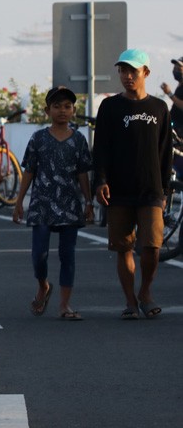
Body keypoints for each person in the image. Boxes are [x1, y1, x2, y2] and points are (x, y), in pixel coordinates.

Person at [92, 49, 173, 320]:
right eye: (122, 71)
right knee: (123, 247)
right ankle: (130, 301)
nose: (127, 76)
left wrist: (164, 191)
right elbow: (100, 147)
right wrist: (100, 181)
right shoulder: (110, 107)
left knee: (152, 247)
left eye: (133, 71)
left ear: (145, 73)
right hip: (119, 190)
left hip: (151, 190)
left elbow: (165, 151)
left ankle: (146, 292)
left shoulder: (159, 108)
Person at [12, 86, 94, 321]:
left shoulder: (78, 140)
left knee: (68, 254)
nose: (62, 110)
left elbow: (82, 173)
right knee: (39, 254)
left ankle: (64, 305)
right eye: (57, 106)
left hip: (69, 204)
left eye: (67, 106)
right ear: (48, 110)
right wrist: (19, 202)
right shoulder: (38, 138)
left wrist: (88, 202)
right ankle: (43, 285)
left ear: (74, 110)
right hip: (42, 204)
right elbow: (29, 170)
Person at [160, 56, 183, 138]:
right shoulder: (180, 85)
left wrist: (169, 93)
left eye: (179, 68)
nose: (175, 71)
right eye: (174, 68)